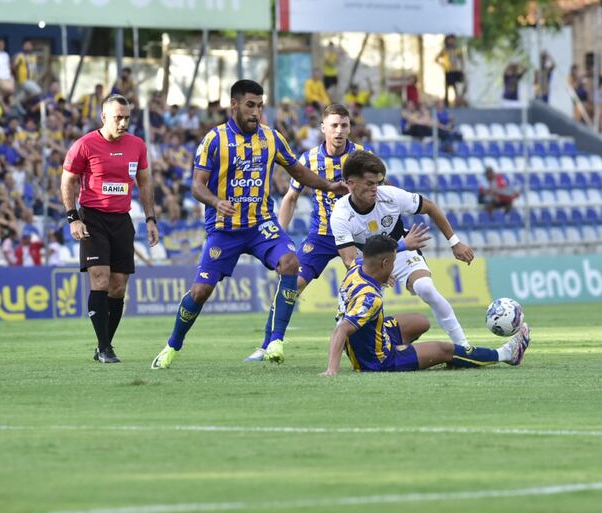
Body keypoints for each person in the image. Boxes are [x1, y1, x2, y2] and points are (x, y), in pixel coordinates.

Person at [150, 79, 349, 370]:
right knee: (200, 292)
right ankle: (172, 346)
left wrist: (329, 186)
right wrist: (216, 202)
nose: (256, 112)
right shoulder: (214, 140)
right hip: (224, 229)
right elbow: (196, 185)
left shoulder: (271, 138)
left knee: (291, 263)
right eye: (250, 105)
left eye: (260, 106)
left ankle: (275, 342)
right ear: (234, 105)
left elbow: (299, 171)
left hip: (260, 225)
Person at [244, 104, 372, 361]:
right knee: (293, 284)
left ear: (350, 127)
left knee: (365, 286)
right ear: (323, 127)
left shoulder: (361, 156)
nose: (339, 131)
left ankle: (371, 344)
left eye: (344, 125)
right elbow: (291, 198)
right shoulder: (308, 159)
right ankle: (267, 344)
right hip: (322, 236)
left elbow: (379, 191)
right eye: (334, 125)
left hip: (357, 235)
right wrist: (278, 236)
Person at [321, 234, 530, 375]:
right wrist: (332, 370)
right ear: (385, 263)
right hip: (378, 360)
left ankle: (406, 349)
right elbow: (342, 330)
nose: (394, 267)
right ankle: (505, 354)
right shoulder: (369, 299)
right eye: (393, 263)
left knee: (420, 321)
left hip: (376, 335)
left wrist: (386, 270)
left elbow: (369, 264)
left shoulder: (357, 267)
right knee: (445, 349)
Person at [330, 150, 476, 348]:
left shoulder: (390, 196)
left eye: (377, 183)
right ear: (351, 183)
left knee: (426, 288)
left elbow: (430, 207)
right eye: (369, 184)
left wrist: (455, 243)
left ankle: (464, 346)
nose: (376, 189)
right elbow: (349, 261)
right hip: (367, 263)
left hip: (402, 252)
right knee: (356, 317)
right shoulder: (340, 214)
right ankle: (385, 346)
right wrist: (380, 268)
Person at [61, 94, 160, 363]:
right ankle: (105, 348)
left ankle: (104, 345)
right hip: (92, 218)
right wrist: (73, 218)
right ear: (104, 116)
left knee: (118, 286)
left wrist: (150, 219)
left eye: (127, 117)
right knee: (101, 279)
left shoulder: (137, 145)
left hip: (122, 220)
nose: (124, 122)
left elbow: (145, 183)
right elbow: (68, 181)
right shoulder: (84, 145)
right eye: (118, 117)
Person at [436, 35, 464, 107]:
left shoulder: (457, 49)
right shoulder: (445, 50)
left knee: (456, 87)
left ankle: (457, 102)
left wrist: (461, 68)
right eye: (450, 39)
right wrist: (443, 65)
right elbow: (437, 59)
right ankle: (446, 102)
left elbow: (461, 59)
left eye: (452, 39)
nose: (451, 41)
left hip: (456, 70)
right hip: (448, 70)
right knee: (447, 86)